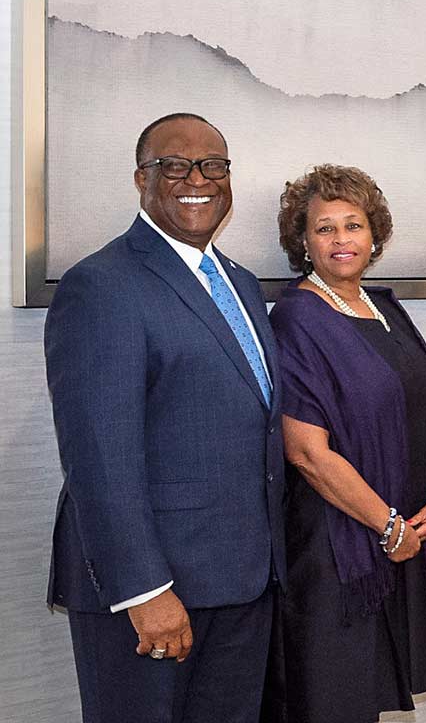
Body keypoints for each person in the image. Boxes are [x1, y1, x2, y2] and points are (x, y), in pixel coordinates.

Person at [44, 113, 284, 722]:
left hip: (242, 582)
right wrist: (144, 591)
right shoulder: (101, 285)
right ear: (140, 179)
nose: (195, 179)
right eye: (172, 166)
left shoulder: (243, 286)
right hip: (153, 595)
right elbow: (99, 457)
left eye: (212, 166)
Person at [262, 164, 426, 722]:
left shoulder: (385, 307)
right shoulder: (296, 317)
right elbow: (306, 453)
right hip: (334, 548)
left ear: (374, 234)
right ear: (303, 241)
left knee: (368, 704)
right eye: (324, 228)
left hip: (396, 539)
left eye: (354, 225)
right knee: (333, 702)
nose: (342, 240)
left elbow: (418, 407)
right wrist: (387, 526)